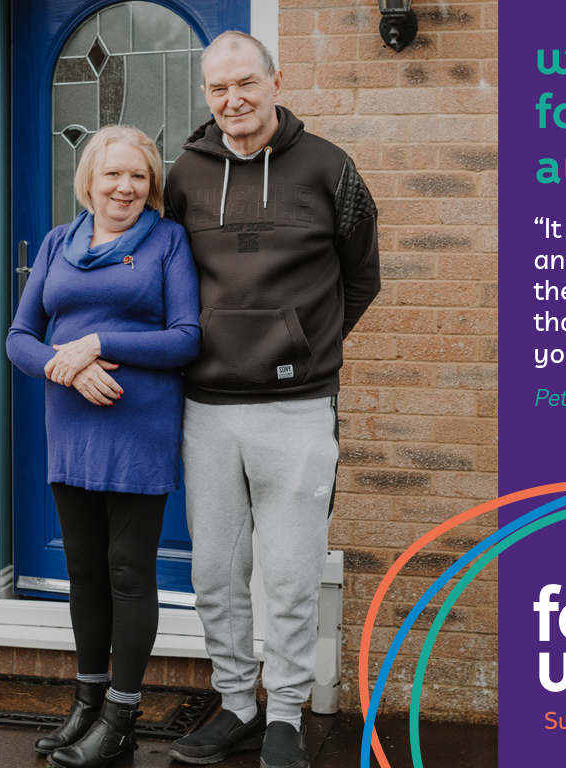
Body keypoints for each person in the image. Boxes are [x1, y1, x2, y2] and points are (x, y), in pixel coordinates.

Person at [163, 30, 380, 768]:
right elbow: (165, 277)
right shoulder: (183, 176)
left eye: (246, 84)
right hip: (207, 409)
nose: (234, 101)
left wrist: (304, 345)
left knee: (289, 573)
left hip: (298, 409)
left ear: (275, 80)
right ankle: (234, 703)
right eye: (218, 89)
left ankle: (284, 712)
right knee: (214, 575)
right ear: (206, 93)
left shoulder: (329, 170)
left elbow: (361, 278)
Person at [6, 125, 201, 768]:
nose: (126, 187)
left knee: (127, 570)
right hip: (70, 424)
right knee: (83, 570)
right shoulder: (61, 242)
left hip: (137, 426)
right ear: (88, 179)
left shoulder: (168, 241)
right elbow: (20, 337)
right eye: (113, 174)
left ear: (152, 185)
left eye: (139, 176)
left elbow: (184, 339)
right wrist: (65, 365)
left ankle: (121, 715)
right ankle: (86, 705)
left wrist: (100, 344)